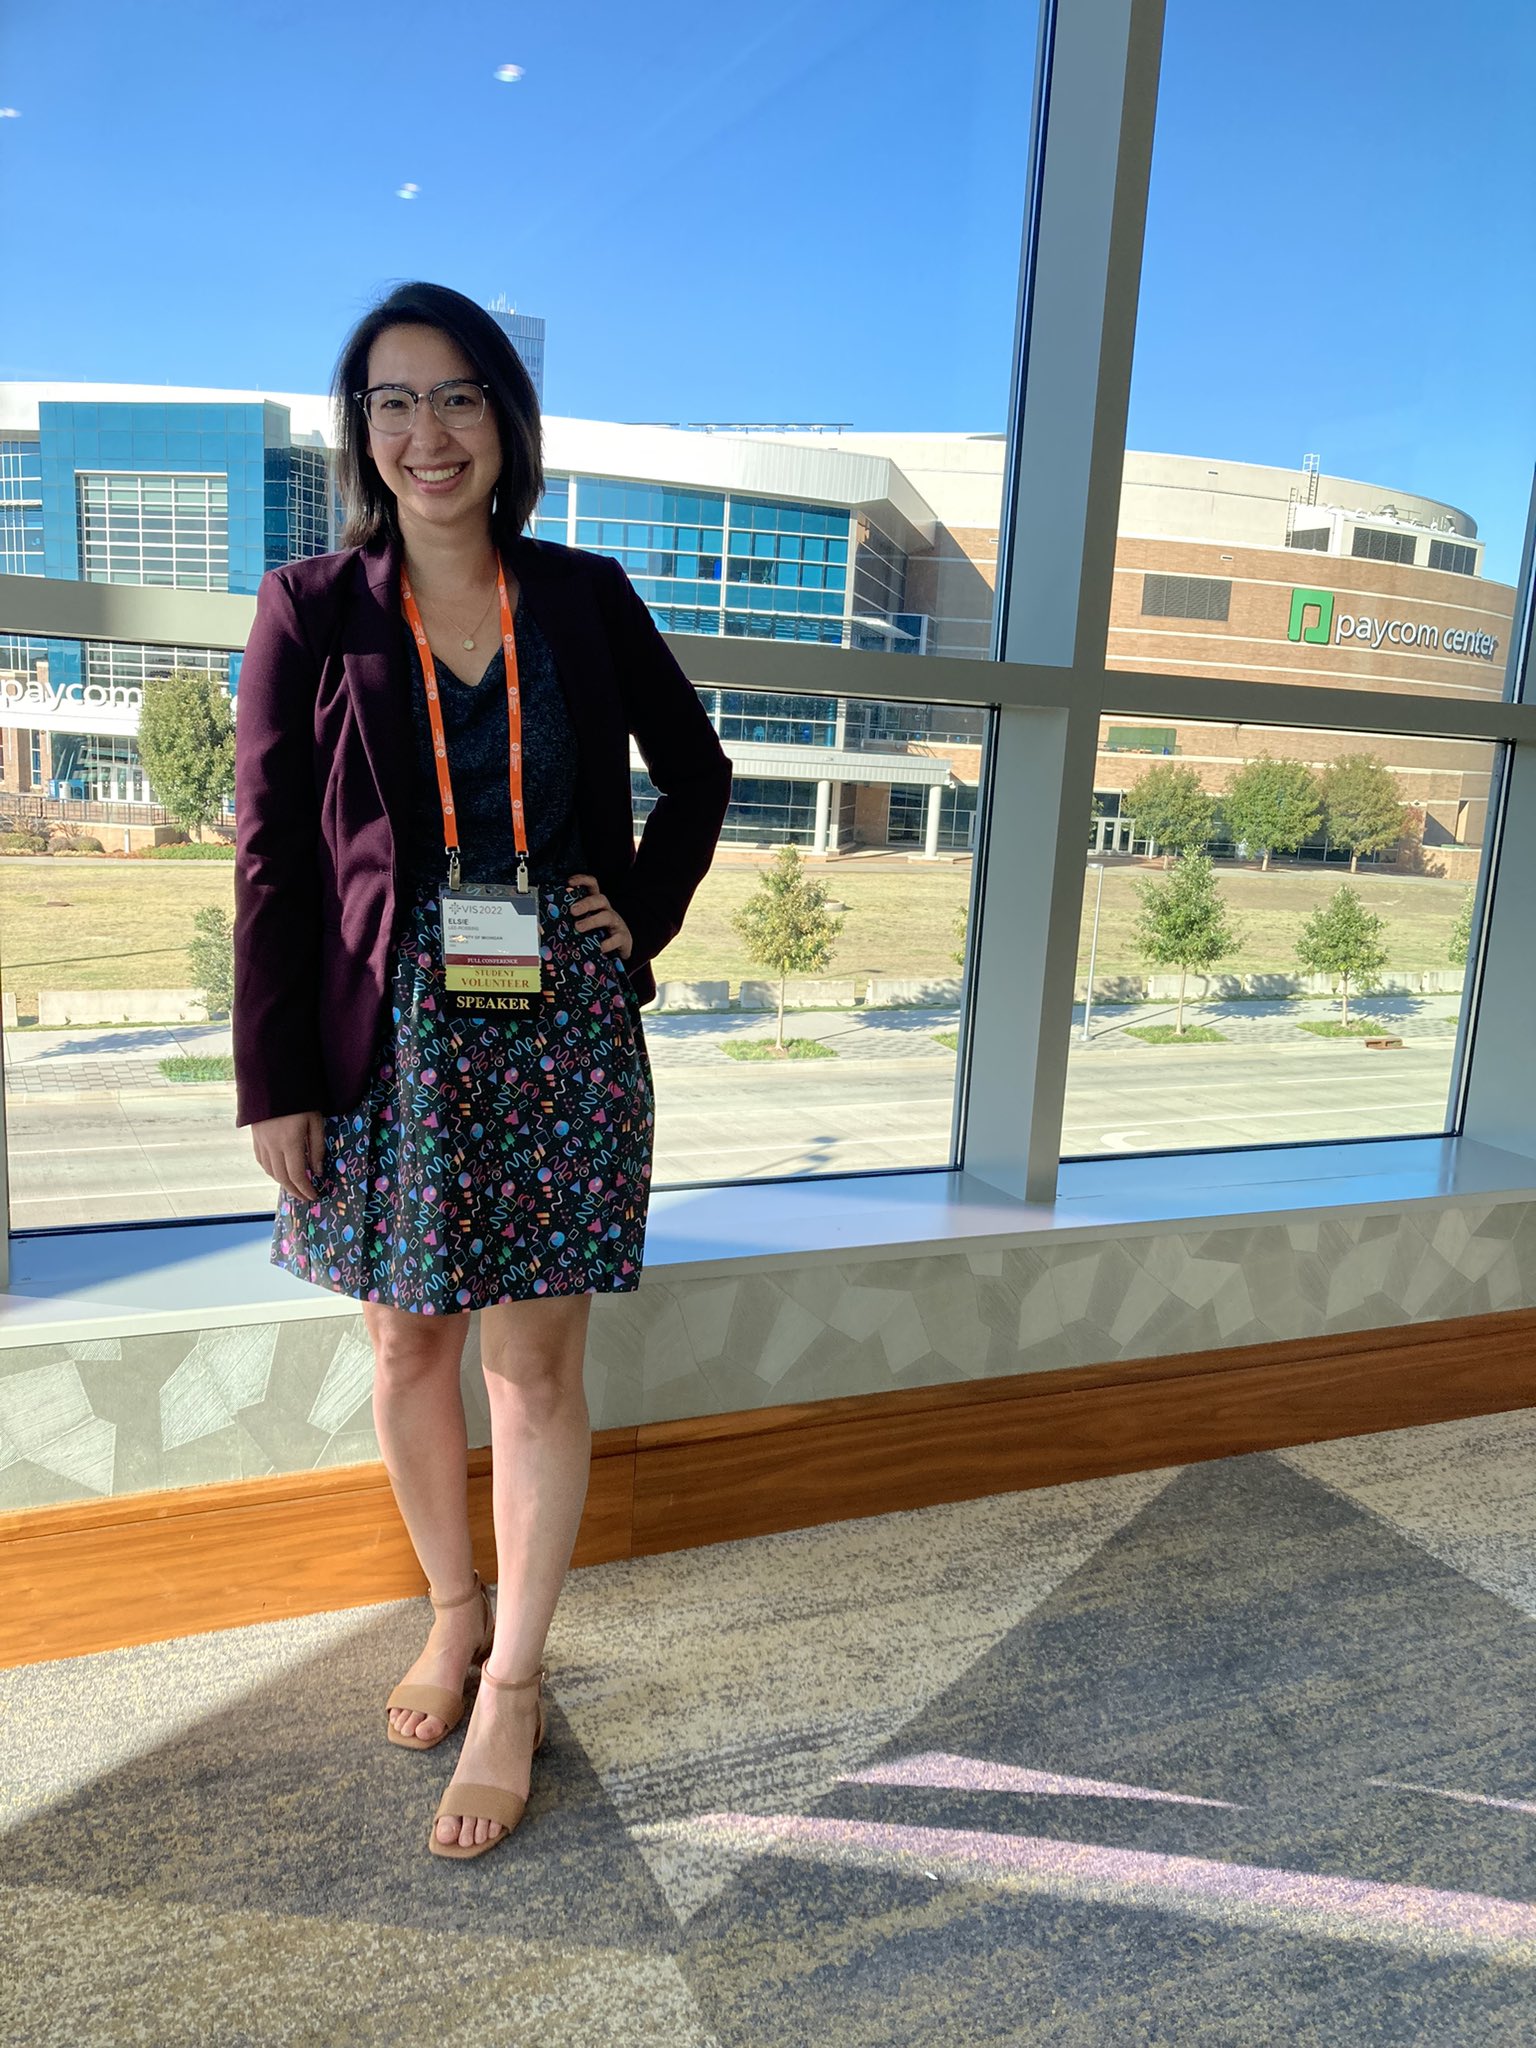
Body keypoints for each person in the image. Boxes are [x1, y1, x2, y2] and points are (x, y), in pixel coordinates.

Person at [233, 281, 731, 1860]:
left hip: (556, 1031)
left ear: (505, 421)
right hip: (388, 1042)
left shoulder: (581, 594)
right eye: (392, 402)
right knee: (405, 1354)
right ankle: (453, 1609)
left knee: (533, 1371)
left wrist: (634, 910)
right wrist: (276, 1079)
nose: (424, 433)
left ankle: (515, 1675)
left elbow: (698, 773)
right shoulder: (310, 607)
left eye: (456, 399)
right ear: (359, 429)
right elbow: (269, 861)